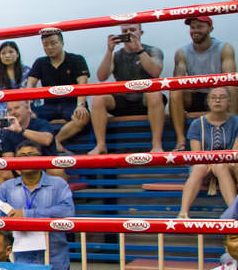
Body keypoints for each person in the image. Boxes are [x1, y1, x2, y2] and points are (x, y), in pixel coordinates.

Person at [0, 143, 76, 270]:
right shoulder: (8, 187)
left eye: (31, 154)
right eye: (22, 156)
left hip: (54, 261)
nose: (27, 158)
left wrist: (28, 214)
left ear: (42, 159)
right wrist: (10, 217)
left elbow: (67, 211)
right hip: (20, 263)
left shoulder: (58, 184)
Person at [89, 23, 165, 154]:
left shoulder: (153, 50)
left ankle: (157, 145)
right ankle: (101, 145)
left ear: (140, 33)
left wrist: (139, 49)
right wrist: (109, 51)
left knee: (154, 93)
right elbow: (101, 77)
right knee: (98, 97)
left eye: (132, 30)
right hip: (123, 100)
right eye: (125, 31)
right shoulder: (116, 55)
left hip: (146, 100)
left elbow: (155, 72)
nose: (129, 33)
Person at [169, 15, 236, 149]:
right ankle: (181, 141)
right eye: (192, 28)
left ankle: (233, 137)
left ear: (210, 28)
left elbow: (229, 79)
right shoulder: (182, 52)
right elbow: (177, 82)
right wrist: (194, 86)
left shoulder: (225, 48)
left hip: (218, 94)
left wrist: (201, 84)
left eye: (200, 27)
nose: (195, 31)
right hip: (195, 95)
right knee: (175, 91)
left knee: (232, 87)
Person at [26, 27, 91, 150]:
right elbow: (30, 86)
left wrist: (81, 105)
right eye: (46, 45)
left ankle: (54, 141)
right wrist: (27, 106)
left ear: (62, 43)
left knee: (81, 118)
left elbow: (83, 84)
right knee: (27, 116)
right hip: (49, 106)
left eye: (53, 43)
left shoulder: (76, 59)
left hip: (71, 104)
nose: (50, 47)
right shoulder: (40, 62)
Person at [177, 86, 238, 218]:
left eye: (222, 98)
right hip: (203, 164)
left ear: (229, 101)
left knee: (220, 166)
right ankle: (183, 213)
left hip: (229, 165)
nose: (217, 101)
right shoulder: (197, 124)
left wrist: (217, 162)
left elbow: (235, 152)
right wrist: (210, 163)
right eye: (214, 98)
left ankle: (234, 214)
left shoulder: (236, 121)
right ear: (208, 101)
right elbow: (196, 154)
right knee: (198, 167)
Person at [0, 40, 29, 123]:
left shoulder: (26, 71)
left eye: (11, 52)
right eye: (3, 53)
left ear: (17, 54)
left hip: (22, 105)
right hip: (2, 106)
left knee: (18, 113)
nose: (7, 55)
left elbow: (26, 93)